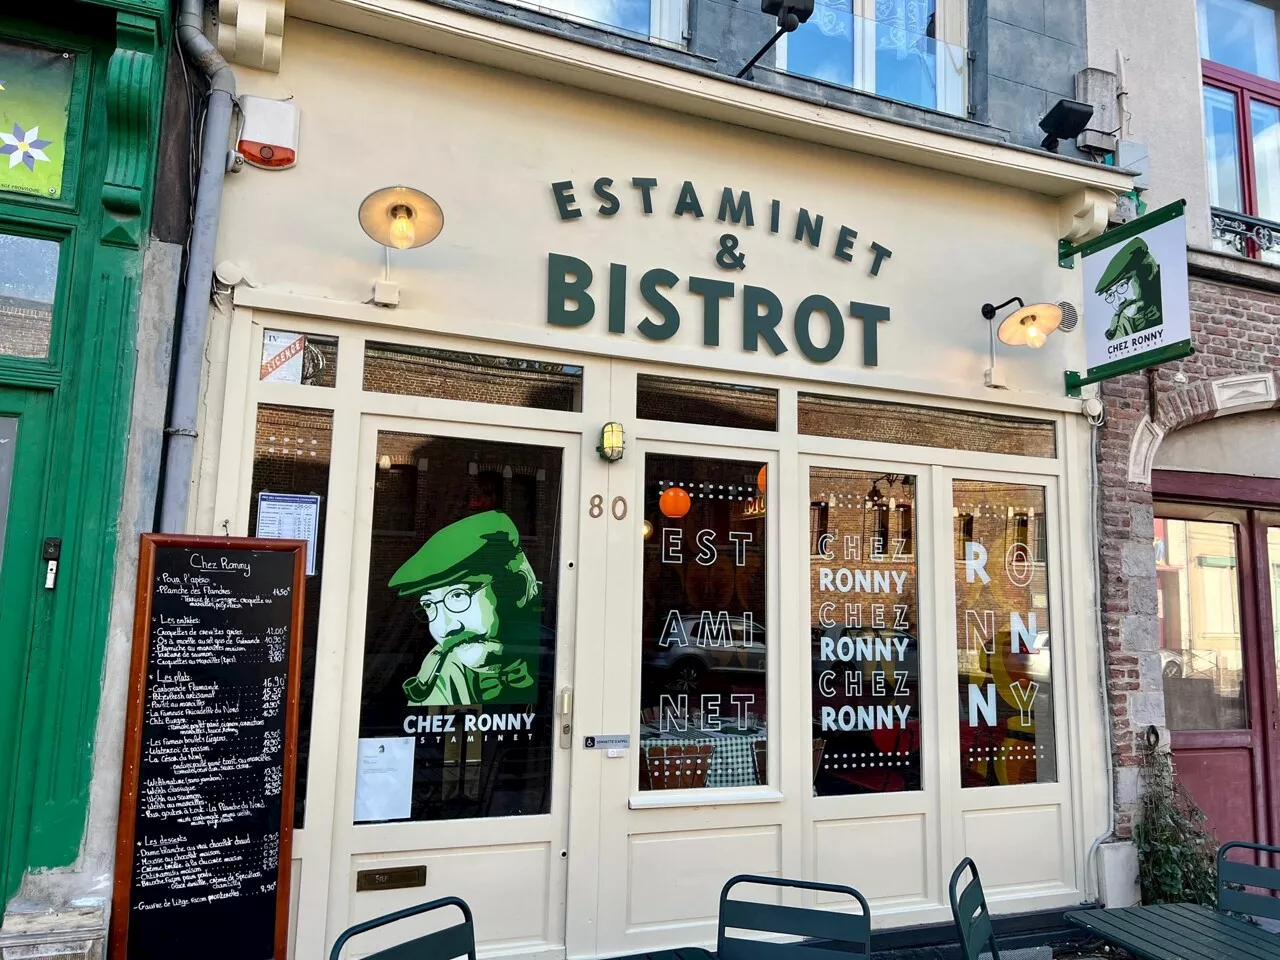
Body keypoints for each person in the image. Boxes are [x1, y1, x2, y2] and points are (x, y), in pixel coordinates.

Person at [389, 511, 542, 706]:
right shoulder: (439, 672)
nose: (445, 628)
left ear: (517, 588)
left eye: (458, 596)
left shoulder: (559, 637)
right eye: (428, 605)